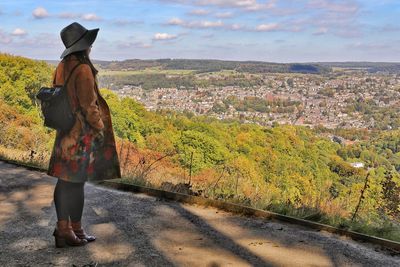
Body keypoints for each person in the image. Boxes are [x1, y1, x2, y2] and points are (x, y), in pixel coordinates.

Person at [47, 22, 122, 248]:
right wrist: (100, 128)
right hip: (80, 136)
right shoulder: (83, 69)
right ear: (83, 46)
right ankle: (74, 230)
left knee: (64, 181)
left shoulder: (61, 66)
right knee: (76, 183)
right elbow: (90, 106)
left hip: (64, 133)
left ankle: (65, 229)